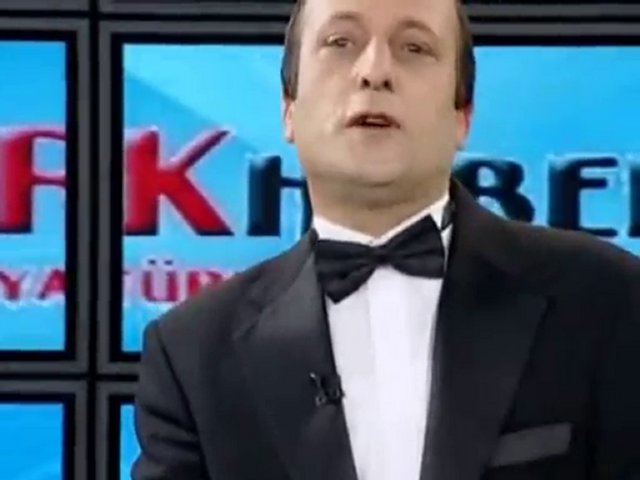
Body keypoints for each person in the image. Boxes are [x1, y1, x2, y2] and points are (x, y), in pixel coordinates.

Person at [131, 0, 640, 478]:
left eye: (414, 47)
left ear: (463, 116)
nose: (374, 71)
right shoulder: (191, 356)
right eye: (340, 43)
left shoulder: (607, 299)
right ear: (288, 109)